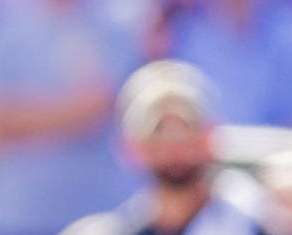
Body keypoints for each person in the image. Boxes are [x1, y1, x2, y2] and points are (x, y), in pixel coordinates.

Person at [62, 60, 278, 235]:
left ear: (210, 138)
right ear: (131, 149)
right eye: (158, 136)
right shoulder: (110, 230)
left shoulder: (258, 223)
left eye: (186, 133)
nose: (174, 150)